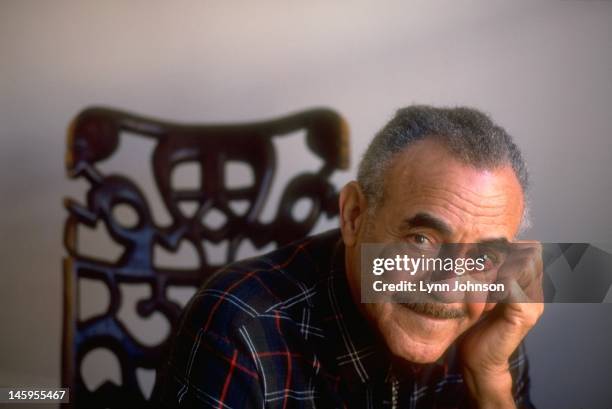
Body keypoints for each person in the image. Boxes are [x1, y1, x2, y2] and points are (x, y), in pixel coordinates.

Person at [154, 105, 543, 408]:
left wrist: (490, 382)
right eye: (422, 239)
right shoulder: (239, 327)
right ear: (354, 215)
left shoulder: (491, 320)